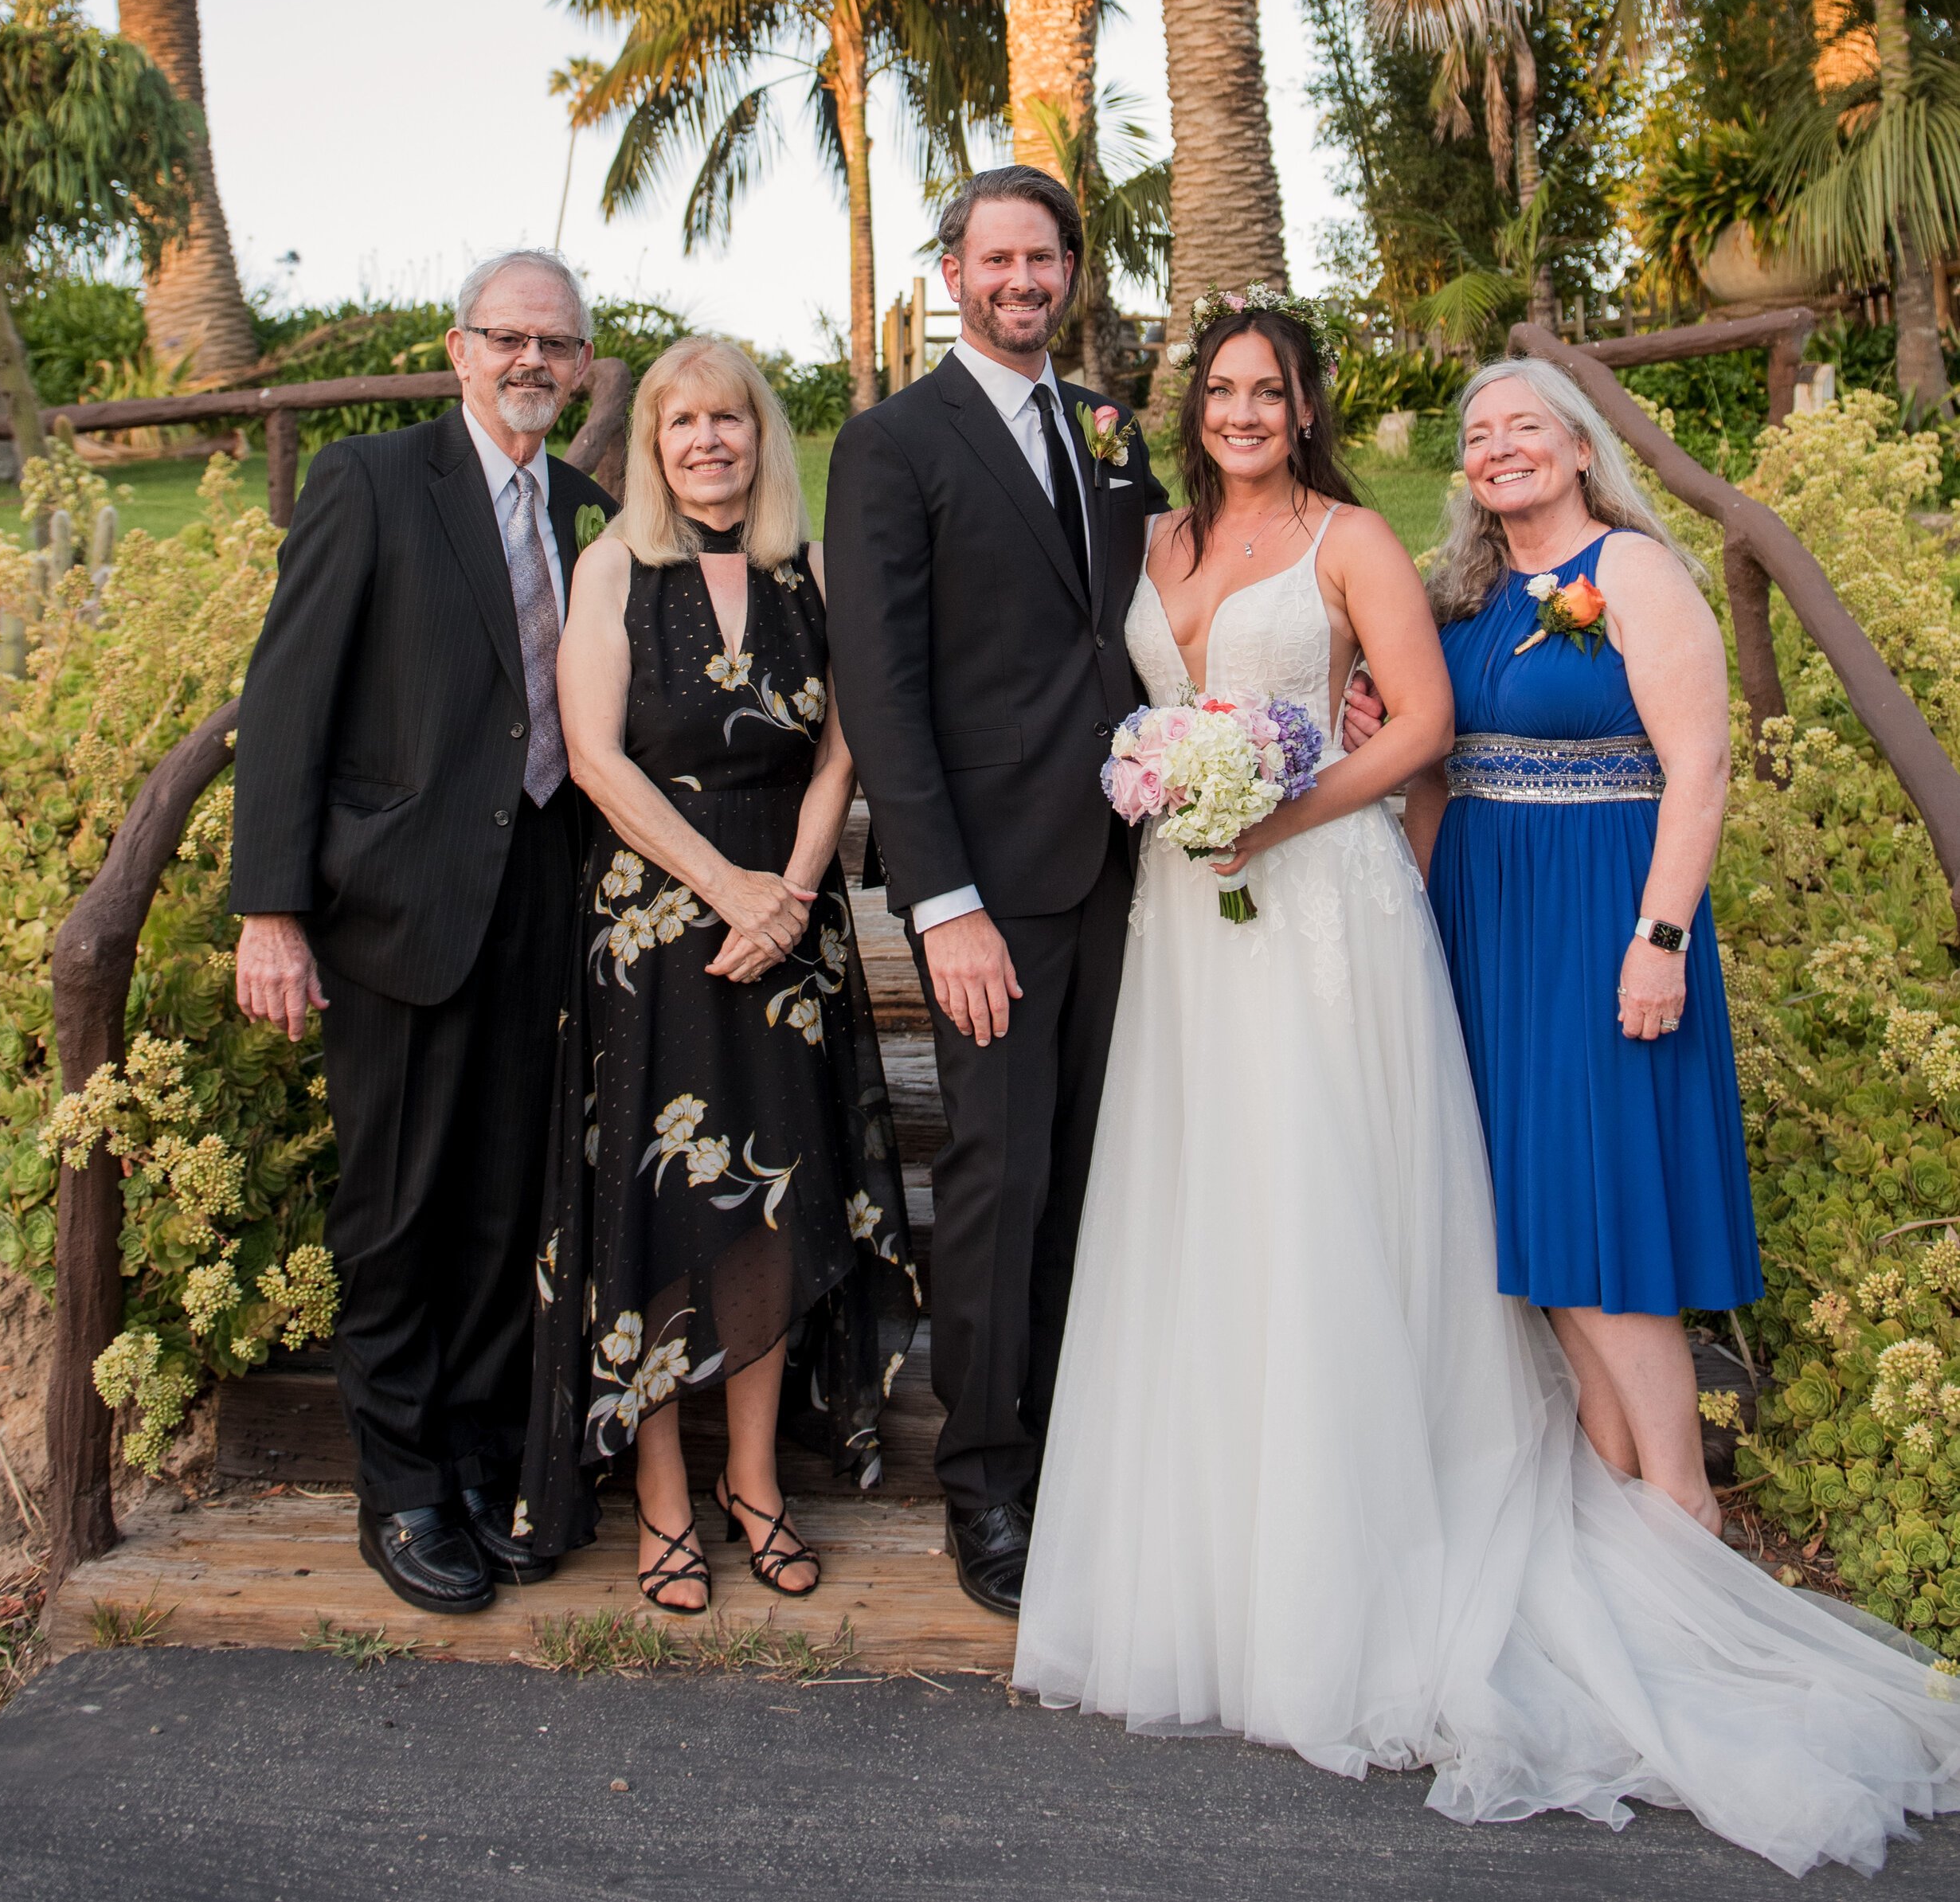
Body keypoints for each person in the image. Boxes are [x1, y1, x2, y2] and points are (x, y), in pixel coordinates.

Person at [1014, 293, 1960, 1876]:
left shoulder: (1411, 547)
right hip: (1216, 918)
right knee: (1242, 1218)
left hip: (1353, 896)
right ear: (1195, 405)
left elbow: (1432, 727)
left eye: (1273, 388)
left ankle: (1658, 1541)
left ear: (1306, 406)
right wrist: (1177, 781)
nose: (1245, 408)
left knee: (1423, 1217)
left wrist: (1286, 802)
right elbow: (1423, 718)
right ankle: (1236, 1567)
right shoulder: (1191, 548)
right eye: (1224, 387)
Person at [517, 337, 916, 1610]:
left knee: (782, 1203)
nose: (706, 439)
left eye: (728, 417)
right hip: (656, 921)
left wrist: (791, 891)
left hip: (791, 922)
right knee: (660, 1202)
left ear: (762, 433)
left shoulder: (812, 568)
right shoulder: (612, 567)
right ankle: (663, 1494)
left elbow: (845, 747)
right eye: (680, 419)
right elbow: (595, 757)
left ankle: (756, 1483)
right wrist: (728, 888)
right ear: (651, 442)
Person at [231, 249, 597, 1616]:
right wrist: (273, 909)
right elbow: (287, 699)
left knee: (507, 1203)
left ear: (582, 365)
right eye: (508, 337)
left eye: (556, 343)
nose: (531, 362)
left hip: (545, 907)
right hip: (394, 914)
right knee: (395, 1211)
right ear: (459, 348)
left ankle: (490, 1457)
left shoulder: (592, 506)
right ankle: (400, 1489)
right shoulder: (372, 482)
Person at [826, 166, 1168, 1614]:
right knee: (994, 1174)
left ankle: (1082, 1451)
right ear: (953, 270)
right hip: (990, 889)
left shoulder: (1110, 431)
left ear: (1071, 275)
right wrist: (944, 900)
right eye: (997, 257)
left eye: (1047, 258)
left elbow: (1155, 615)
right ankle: (985, 1481)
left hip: (1124, 859)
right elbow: (883, 691)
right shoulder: (893, 443)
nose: (1024, 280)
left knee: (1091, 1171)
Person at [1410, 358, 1759, 1530]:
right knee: (1532, 1210)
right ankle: (1615, 1502)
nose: (1498, 445)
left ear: (1576, 446)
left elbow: (1701, 768)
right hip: (1487, 914)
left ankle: (1682, 1497)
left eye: (1524, 426)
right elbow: (1433, 755)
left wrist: (1658, 936)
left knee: (1595, 1199)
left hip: (1604, 913)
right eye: (1478, 433)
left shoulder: (1635, 569)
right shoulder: (1465, 594)